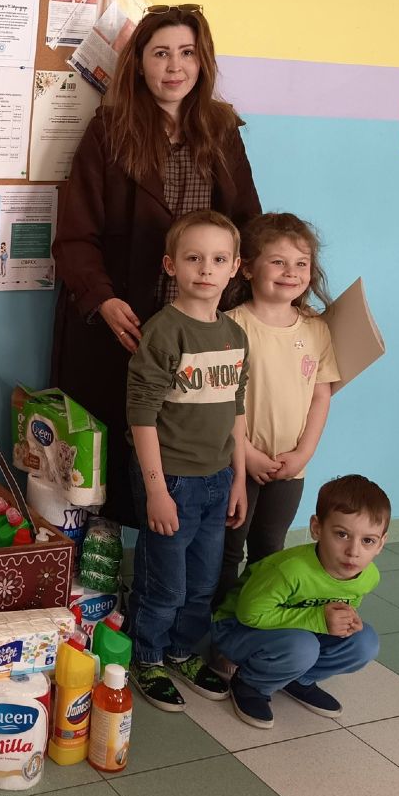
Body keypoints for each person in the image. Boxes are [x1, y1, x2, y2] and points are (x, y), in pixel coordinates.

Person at [51, 5, 260, 526]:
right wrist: (103, 300)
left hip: (200, 327)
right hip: (129, 322)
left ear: (202, 62)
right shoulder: (110, 130)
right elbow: (75, 236)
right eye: (160, 53)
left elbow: (248, 225)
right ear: (139, 63)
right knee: (115, 464)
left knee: (194, 454)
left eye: (187, 53)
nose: (174, 66)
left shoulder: (221, 130)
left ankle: (182, 554)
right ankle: (116, 560)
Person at [124, 209, 247, 712]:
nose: (206, 269)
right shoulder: (164, 332)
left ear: (235, 267)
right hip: (172, 480)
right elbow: (141, 416)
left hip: (218, 478)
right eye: (194, 258)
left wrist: (239, 479)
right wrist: (156, 490)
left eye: (218, 259)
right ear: (171, 265)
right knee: (164, 584)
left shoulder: (234, 334)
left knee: (202, 582)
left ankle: (180, 651)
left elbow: (237, 410)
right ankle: (147, 655)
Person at [214, 213, 339, 607]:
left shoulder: (316, 328)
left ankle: (256, 617)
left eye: (301, 263)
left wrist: (303, 454)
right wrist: (246, 455)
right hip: (237, 463)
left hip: (289, 468)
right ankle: (218, 620)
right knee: (227, 548)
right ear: (248, 268)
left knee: (269, 549)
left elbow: (321, 396)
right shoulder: (229, 326)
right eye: (278, 262)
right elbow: (218, 402)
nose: (291, 272)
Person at [213, 474, 389, 728]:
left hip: (294, 632)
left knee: (365, 643)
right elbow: (249, 614)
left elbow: (345, 603)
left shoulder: (369, 576)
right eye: (341, 534)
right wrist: (318, 618)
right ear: (317, 528)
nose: (353, 551)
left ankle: (298, 678)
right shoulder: (291, 570)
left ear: (381, 544)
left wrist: (347, 621)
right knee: (304, 647)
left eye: (368, 541)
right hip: (235, 628)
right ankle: (251, 684)